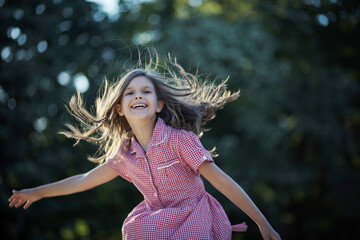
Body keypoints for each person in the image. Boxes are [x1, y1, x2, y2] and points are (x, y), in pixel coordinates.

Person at [8, 55, 281, 240]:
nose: (138, 95)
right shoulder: (126, 154)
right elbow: (84, 179)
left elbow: (221, 181)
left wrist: (261, 221)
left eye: (146, 91)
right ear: (120, 108)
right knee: (134, 229)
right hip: (158, 222)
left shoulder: (180, 140)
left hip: (194, 218)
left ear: (159, 104)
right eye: (130, 92)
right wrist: (38, 193)